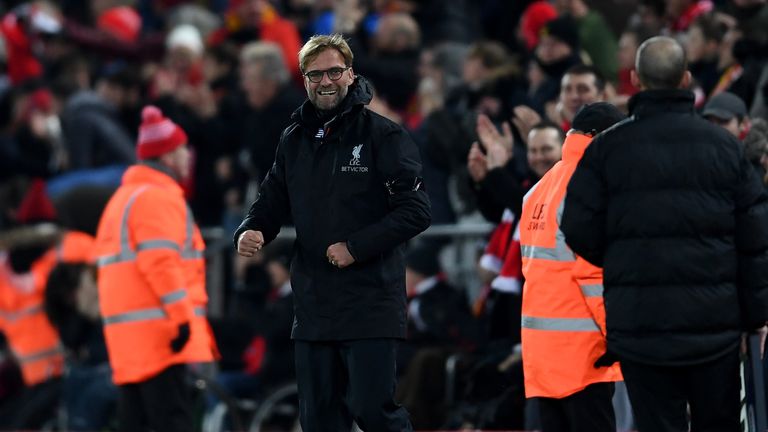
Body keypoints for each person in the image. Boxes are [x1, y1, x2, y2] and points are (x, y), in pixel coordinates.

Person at [561, 36, 768, 432]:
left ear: (636, 79)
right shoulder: (725, 148)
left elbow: (576, 226)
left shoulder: (608, 150)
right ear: (686, 78)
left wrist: (623, 259)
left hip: (641, 326)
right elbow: (755, 239)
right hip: (716, 328)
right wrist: (755, 317)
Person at [234, 33, 431, 432]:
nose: (326, 81)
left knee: (373, 411)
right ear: (304, 79)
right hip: (314, 304)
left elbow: (416, 211)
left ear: (351, 73)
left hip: (370, 300)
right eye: (315, 74)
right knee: (319, 419)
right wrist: (252, 228)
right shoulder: (294, 138)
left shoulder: (383, 135)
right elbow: (271, 200)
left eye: (334, 72)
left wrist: (355, 248)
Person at [94, 105, 219, 432]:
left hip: (131, 340)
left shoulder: (124, 198)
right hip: (162, 338)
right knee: (172, 422)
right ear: (166, 156)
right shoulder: (157, 198)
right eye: (182, 150)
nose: (188, 157)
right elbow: (161, 264)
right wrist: (181, 320)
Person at [519, 102, 625, 432]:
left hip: (542, 348)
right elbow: (591, 271)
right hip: (583, 346)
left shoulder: (540, 188)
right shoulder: (592, 187)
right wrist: (617, 334)